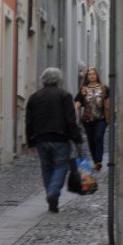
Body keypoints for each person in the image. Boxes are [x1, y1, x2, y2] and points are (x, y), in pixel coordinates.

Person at [26, 67, 83, 213]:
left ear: (43, 80)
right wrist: (77, 138)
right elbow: (70, 120)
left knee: (46, 168)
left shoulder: (34, 97)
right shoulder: (64, 95)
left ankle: (52, 199)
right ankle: (53, 192)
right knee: (60, 167)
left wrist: (30, 142)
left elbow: (29, 122)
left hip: (41, 138)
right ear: (58, 80)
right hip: (60, 138)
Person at [74, 66, 110, 171]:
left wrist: (110, 112)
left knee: (98, 137)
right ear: (87, 77)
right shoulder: (83, 89)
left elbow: (108, 102)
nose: (92, 76)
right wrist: (75, 110)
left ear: (97, 75)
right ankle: (95, 161)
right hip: (87, 120)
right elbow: (78, 102)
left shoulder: (104, 88)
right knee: (91, 140)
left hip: (101, 118)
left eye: (93, 74)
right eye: (89, 74)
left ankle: (98, 161)